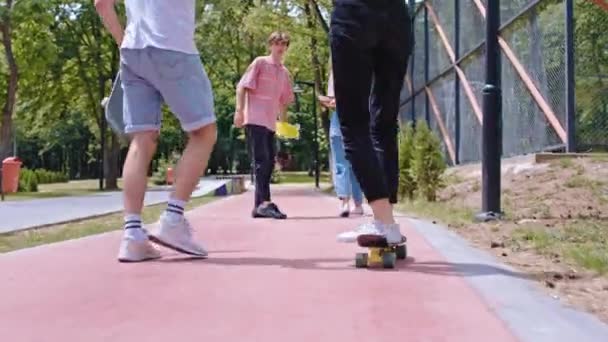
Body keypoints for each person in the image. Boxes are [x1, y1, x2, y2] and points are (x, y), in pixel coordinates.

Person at [96, 0, 214, 262]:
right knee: (204, 133)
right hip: (172, 47)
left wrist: (122, 41)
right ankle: (173, 218)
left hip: (133, 52)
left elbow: (102, 4)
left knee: (141, 140)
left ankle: (132, 236)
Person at [330, 0, 413, 243]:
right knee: (384, 124)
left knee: (354, 124)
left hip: (354, 16)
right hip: (396, 18)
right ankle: (387, 220)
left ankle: (385, 223)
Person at [234, 32, 295, 219]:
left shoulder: (284, 73)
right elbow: (242, 86)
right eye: (277, 43)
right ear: (270, 45)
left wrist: (283, 127)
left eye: (284, 44)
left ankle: (258, 207)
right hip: (254, 118)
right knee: (262, 161)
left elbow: (284, 102)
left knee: (268, 163)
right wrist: (239, 111)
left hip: (270, 123)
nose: (280, 47)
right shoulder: (260, 63)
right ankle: (265, 203)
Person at [320, 71, 364, 218]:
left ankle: (357, 203)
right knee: (341, 164)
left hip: (356, 122)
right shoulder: (335, 72)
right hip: (339, 122)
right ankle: (345, 202)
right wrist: (329, 101)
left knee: (355, 164)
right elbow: (333, 100)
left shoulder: (363, 65)